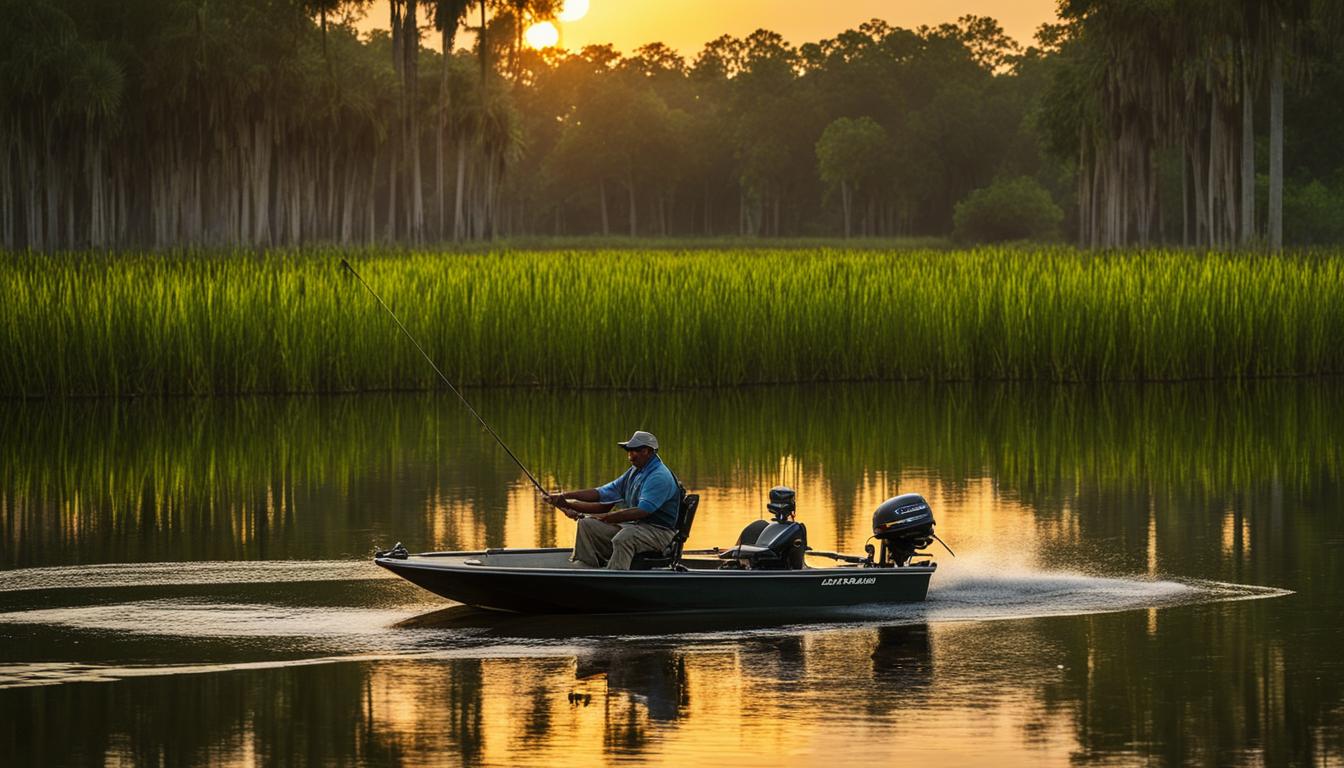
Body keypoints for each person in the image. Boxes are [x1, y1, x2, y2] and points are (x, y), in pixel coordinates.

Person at [543, 430, 680, 569]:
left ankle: (615, 576)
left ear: (648, 451)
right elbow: (601, 493)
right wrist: (566, 498)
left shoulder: (659, 476)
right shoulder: (635, 471)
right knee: (586, 524)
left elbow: (641, 511)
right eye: (629, 451)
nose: (630, 456)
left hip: (659, 532)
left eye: (634, 451)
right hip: (636, 526)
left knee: (625, 538)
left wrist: (606, 517)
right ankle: (585, 568)